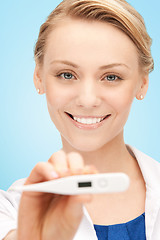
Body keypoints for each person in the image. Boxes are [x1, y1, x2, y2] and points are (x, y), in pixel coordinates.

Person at [1, 0, 160, 239]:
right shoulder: (11, 211)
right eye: (67, 74)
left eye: (111, 77)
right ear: (38, 77)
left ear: (143, 83)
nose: (87, 100)